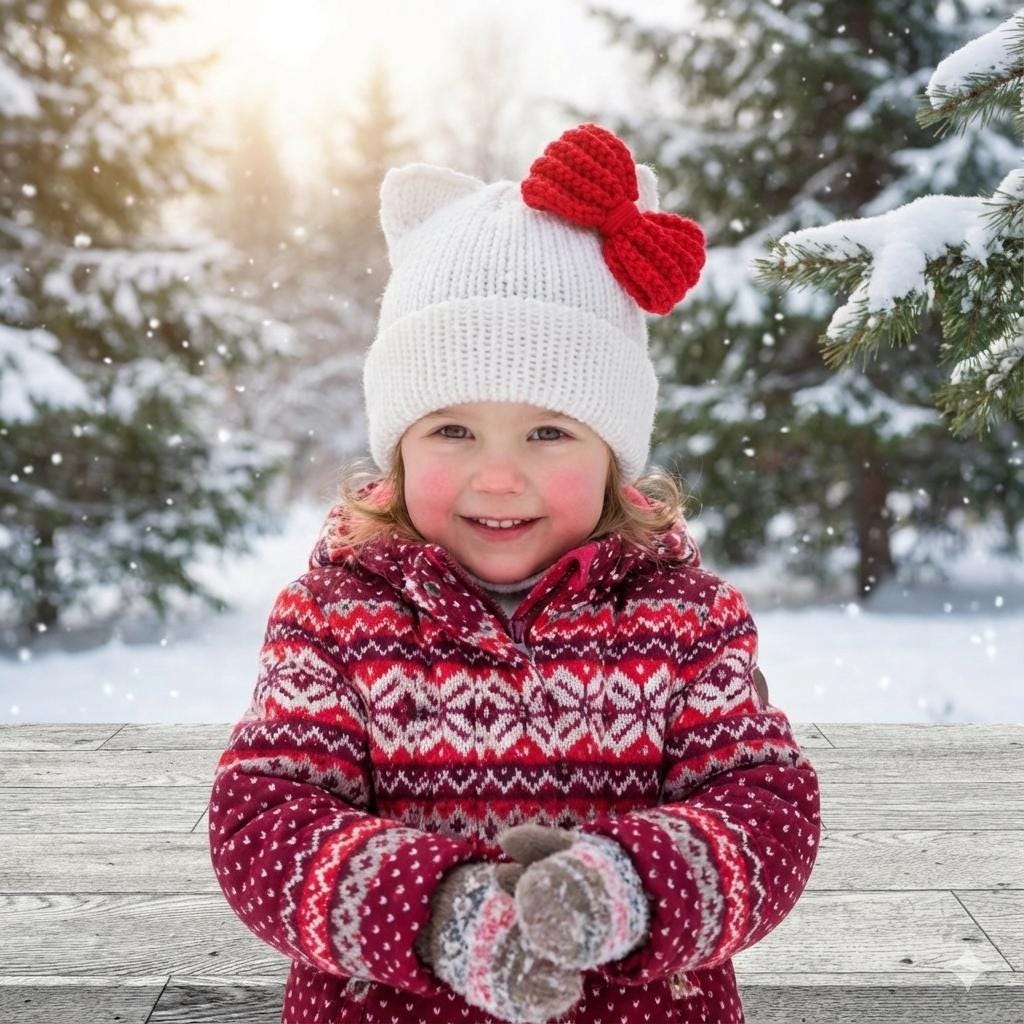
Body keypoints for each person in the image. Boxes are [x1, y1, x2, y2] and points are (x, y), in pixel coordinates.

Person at [208, 122, 820, 1024]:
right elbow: (266, 820)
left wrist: (622, 890)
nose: (499, 476)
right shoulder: (332, 616)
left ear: (613, 455)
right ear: (399, 451)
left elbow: (764, 809)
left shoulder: (687, 618)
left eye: (548, 431)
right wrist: (440, 916)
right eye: (452, 430)